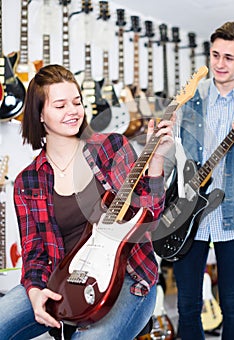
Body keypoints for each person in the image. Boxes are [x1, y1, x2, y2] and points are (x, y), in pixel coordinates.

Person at [0, 64, 174, 339]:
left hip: (127, 276)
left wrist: (157, 160)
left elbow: (148, 217)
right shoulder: (27, 182)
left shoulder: (111, 148)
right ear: (40, 114)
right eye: (60, 105)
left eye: (77, 102)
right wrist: (34, 293)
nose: (73, 111)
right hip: (61, 279)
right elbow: (34, 254)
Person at [164, 22, 234, 339]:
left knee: (232, 305)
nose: (219, 64)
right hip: (188, 216)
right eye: (215, 54)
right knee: (187, 306)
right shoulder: (191, 99)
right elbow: (175, 157)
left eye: (229, 57)